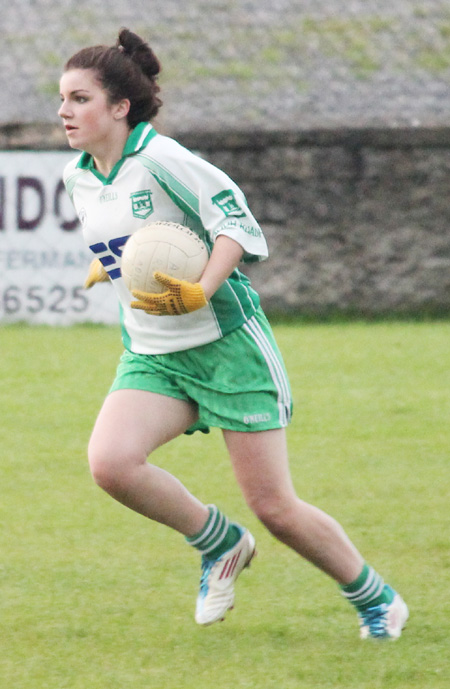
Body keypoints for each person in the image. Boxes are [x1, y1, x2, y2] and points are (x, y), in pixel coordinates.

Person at [58, 28, 408, 639]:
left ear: (120, 107)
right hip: (155, 353)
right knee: (111, 463)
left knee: (277, 509)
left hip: (227, 349)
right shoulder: (79, 175)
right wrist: (111, 263)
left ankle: (377, 598)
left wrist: (202, 288)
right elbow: (147, 242)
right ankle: (219, 543)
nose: (65, 111)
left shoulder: (164, 158)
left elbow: (236, 226)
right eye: (61, 98)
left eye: (80, 98)